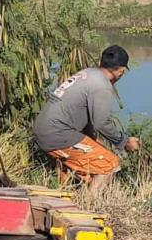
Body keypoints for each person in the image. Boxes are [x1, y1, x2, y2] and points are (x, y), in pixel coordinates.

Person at [34, 45, 140, 191]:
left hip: (43, 130)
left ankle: (68, 191)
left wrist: (93, 140)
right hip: (57, 135)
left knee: (93, 161)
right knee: (110, 164)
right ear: (121, 71)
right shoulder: (101, 85)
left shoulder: (87, 73)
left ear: (101, 62)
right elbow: (101, 123)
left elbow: (88, 119)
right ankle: (89, 205)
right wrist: (124, 141)